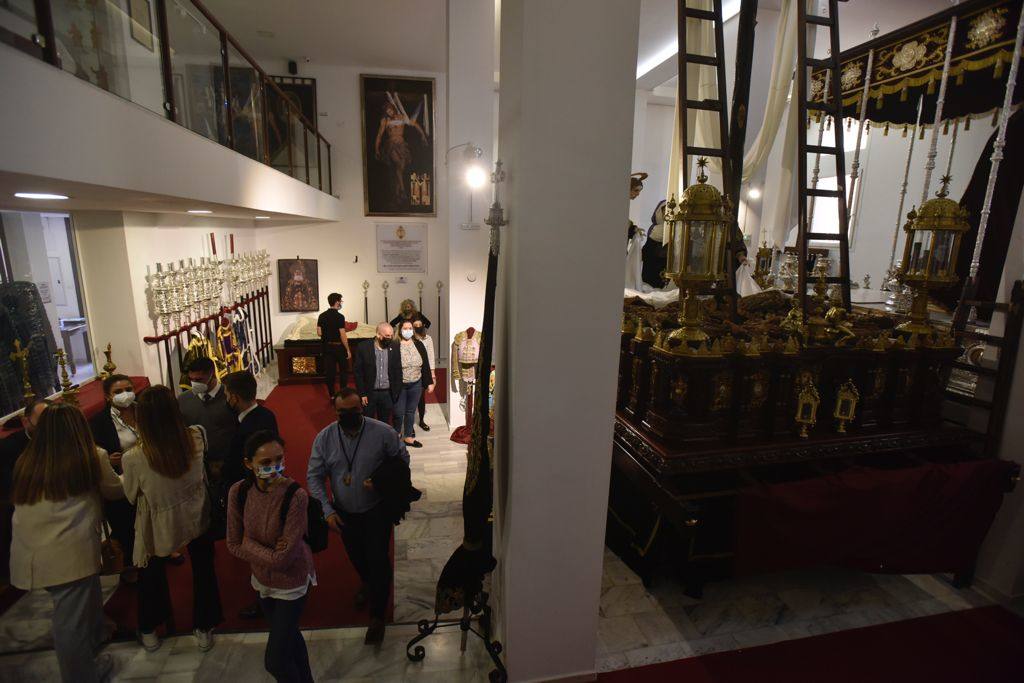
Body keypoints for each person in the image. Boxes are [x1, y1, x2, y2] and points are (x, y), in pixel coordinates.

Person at [9, 403, 122, 683]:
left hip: (33, 549)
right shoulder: (91, 456)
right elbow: (114, 491)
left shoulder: (29, 459)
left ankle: (96, 635)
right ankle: (82, 676)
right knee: (69, 624)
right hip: (67, 552)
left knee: (82, 601)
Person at [122, 385, 223, 653]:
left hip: (159, 522)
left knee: (152, 574)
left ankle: (150, 627)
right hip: (196, 512)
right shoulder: (196, 436)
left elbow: (131, 495)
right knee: (203, 568)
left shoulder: (134, 457)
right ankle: (204, 625)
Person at [307, 388, 410, 644]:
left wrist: (381, 481)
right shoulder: (325, 438)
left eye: (354, 411)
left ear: (361, 409)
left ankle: (377, 615)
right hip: (343, 512)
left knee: (378, 559)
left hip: (376, 509)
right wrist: (326, 510)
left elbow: (402, 461)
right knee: (357, 556)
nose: (349, 416)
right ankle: (367, 582)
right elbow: (314, 476)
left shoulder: (382, 433)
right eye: (343, 413)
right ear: (336, 412)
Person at [227, 431, 315, 683]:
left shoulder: (294, 495)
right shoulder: (239, 492)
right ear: (248, 464)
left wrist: (249, 544)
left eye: (279, 459)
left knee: (275, 661)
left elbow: (283, 560)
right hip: (262, 581)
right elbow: (232, 544)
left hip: (292, 582)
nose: (274, 468)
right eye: (265, 463)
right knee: (290, 637)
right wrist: (264, 549)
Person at [222, 370, 279, 620]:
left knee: (258, 547)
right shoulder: (267, 414)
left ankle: (265, 598)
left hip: (254, 494)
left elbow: (241, 464)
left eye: (226, 393)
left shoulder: (247, 427)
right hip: (269, 488)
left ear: (234, 397)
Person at [89, 375, 146, 578]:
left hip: (149, 475)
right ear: (107, 396)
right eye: (118, 392)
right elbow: (96, 451)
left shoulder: (143, 410)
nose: (125, 395)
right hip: (121, 479)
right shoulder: (99, 421)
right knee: (126, 525)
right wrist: (109, 461)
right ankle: (131, 564)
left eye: (128, 389)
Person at [178, 357, 236, 485]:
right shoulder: (183, 400)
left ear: (212, 375)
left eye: (199, 380)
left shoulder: (230, 397)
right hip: (198, 467)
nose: (194, 384)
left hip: (228, 464)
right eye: (191, 380)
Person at [374, 95, 428, 208]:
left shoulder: (402, 117)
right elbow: (379, 135)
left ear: (393, 108)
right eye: (387, 111)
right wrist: (377, 148)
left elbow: (415, 124)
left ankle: (398, 195)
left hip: (402, 146)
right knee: (398, 164)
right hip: (392, 146)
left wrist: (422, 135)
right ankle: (403, 191)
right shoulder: (385, 121)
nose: (389, 112)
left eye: (390, 109)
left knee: (400, 168)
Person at [394, 320, 433, 449]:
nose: (408, 330)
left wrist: (429, 382)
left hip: (416, 383)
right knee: (399, 412)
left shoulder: (419, 344)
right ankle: (396, 438)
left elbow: (425, 364)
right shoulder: (394, 345)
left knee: (410, 412)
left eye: (410, 328)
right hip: (400, 385)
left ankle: (408, 437)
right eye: (405, 328)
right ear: (400, 330)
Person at [353, 322, 402, 424]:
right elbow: (358, 373)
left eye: (392, 335)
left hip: (387, 394)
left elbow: (397, 370)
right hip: (369, 393)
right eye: (387, 335)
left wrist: (396, 392)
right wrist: (362, 393)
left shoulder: (395, 346)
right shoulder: (363, 347)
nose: (390, 338)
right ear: (378, 334)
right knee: (367, 422)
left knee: (384, 423)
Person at [317, 293, 352, 400]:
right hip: (339, 348)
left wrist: (328, 334)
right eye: (340, 301)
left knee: (330, 373)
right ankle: (342, 394)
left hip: (327, 348)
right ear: (336, 302)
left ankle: (332, 395)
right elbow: (342, 334)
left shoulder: (322, 316)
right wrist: (347, 349)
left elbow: (319, 332)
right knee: (343, 371)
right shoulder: (340, 317)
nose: (341, 303)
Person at [412, 320, 436, 432]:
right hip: (411, 371)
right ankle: (409, 425)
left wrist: (433, 375)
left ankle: (421, 420)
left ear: (423, 326)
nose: (417, 327)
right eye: (415, 325)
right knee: (410, 399)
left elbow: (431, 356)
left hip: (424, 371)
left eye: (419, 325)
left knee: (421, 398)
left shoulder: (428, 339)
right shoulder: (409, 338)